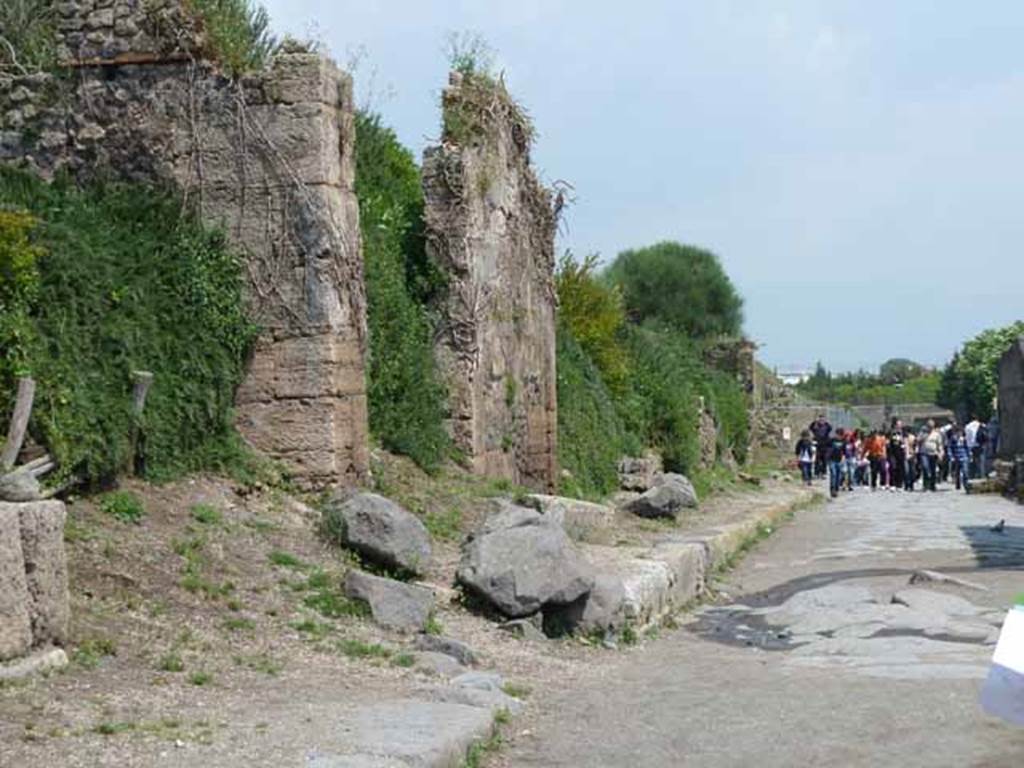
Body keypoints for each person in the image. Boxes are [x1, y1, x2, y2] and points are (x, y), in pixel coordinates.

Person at [920, 419, 942, 492]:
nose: (930, 427)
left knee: (933, 470)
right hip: (924, 453)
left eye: (931, 426)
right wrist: (923, 436)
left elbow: (939, 444)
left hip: (933, 453)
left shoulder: (936, 434)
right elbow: (918, 440)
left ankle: (932, 485)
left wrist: (940, 453)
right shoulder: (923, 433)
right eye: (929, 426)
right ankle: (925, 485)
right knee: (925, 467)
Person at [809, 413, 832, 479]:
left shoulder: (827, 426)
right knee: (817, 459)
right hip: (817, 444)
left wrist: (826, 422)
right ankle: (816, 473)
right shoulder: (815, 426)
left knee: (824, 459)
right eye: (820, 419)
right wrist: (815, 422)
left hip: (825, 444)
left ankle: (824, 473)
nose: (822, 420)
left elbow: (830, 428)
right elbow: (811, 427)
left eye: (823, 419)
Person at [949, 426, 971, 492]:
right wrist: (951, 456)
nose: (959, 434)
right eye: (958, 432)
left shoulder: (964, 439)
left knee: (965, 471)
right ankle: (958, 485)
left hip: (964, 457)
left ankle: (966, 484)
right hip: (956, 457)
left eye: (960, 432)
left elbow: (967, 448)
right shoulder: (953, 439)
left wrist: (969, 455)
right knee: (957, 472)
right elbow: (950, 448)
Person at [826, 427, 847, 498]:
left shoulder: (844, 441)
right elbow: (827, 449)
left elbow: (844, 451)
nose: (839, 436)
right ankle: (832, 490)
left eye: (841, 435)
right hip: (832, 460)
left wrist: (843, 458)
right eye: (838, 434)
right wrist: (827, 457)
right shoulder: (831, 440)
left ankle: (836, 489)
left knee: (838, 476)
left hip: (839, 460)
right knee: (833, 474)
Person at [888, 419, 907, 492]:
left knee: (900, 469)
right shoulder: (891, 432)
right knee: (893, 468)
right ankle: (892, 484)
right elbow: (888, 442)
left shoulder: (903, 433)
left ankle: (899, 485)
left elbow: (905, 441)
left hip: (901, 453)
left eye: (900, 424)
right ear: (895, 425)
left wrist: (906, 449)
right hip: (893, 453)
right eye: (898, 424)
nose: (899, 425)